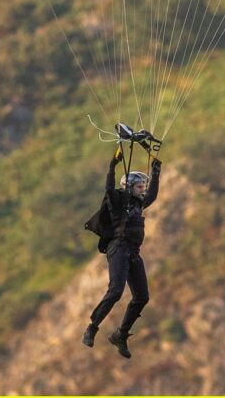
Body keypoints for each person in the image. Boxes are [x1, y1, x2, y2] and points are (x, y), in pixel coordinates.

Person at [82, 145, 162, 358]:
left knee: (142, 297)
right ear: (129, 187)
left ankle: (120, 334)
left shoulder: (138, 204)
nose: (143, 190)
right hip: (118, 248)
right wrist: (112, 166)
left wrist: (156, 172)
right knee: (116, 290)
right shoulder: (118, 201)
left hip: (134, 253)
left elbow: (152, 194)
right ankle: (92, 327)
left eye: (143, 187)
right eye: (139, 187)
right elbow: (109, 189)